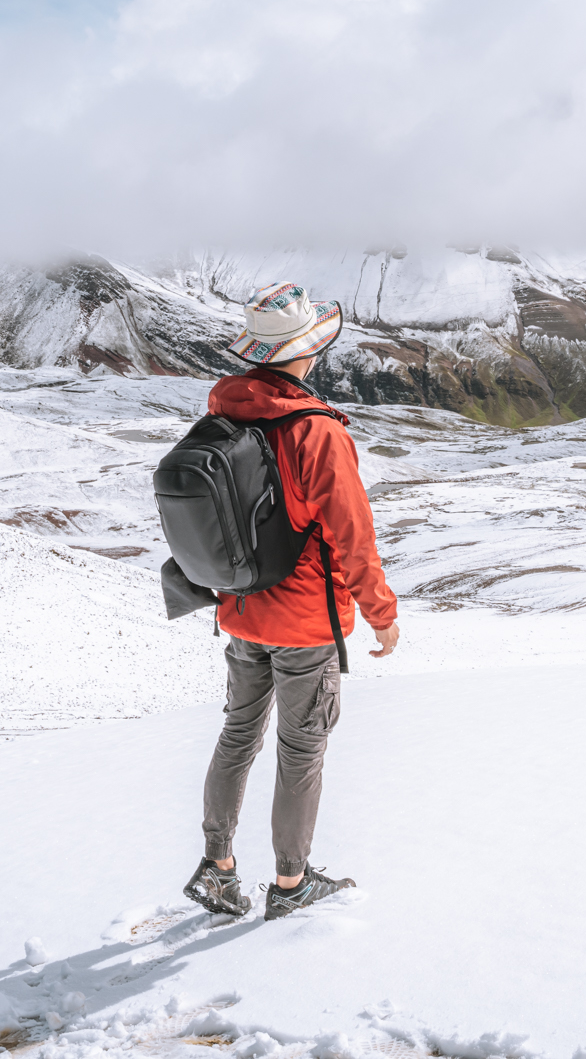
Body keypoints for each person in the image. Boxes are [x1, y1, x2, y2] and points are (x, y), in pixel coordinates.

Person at [181, 282, 401, 922]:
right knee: (301, 751)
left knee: (237, 735)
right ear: (306, 352)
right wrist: (382, 615)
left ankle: (217, 866)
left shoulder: (225, 413)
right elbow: (352, 537)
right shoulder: (315, 432)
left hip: (243, 609)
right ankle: (290, 881)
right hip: (306, 621)